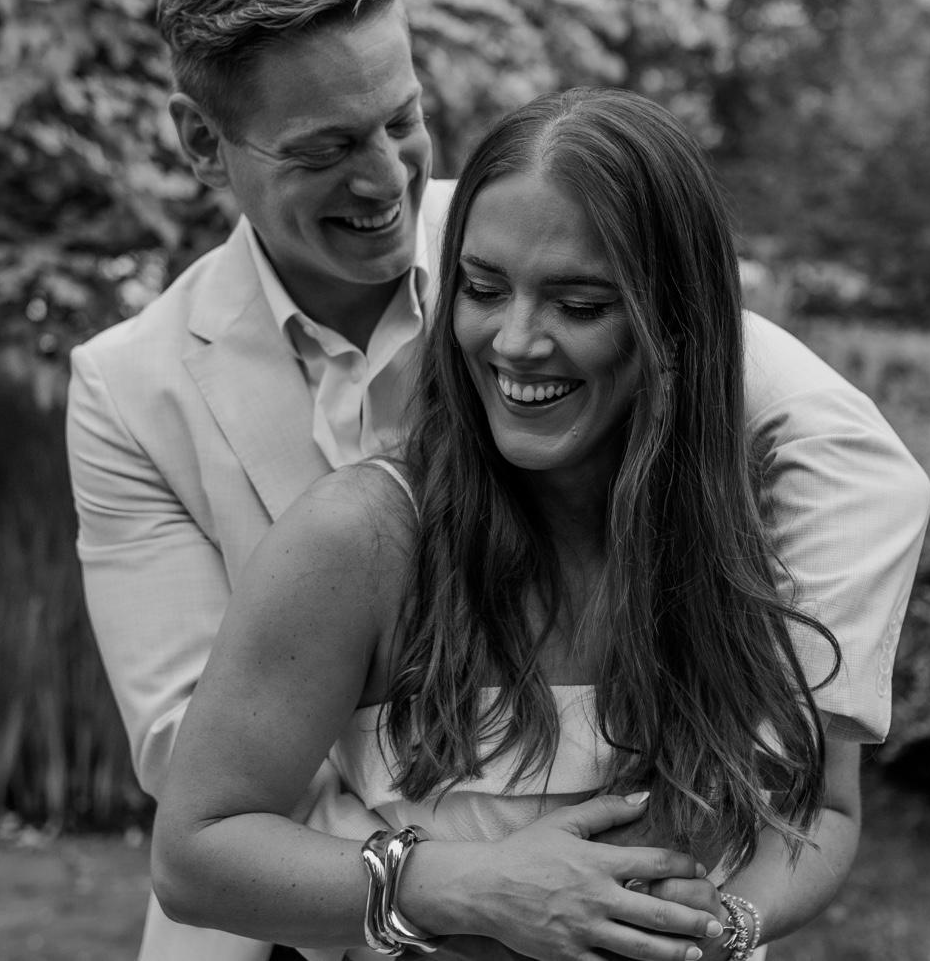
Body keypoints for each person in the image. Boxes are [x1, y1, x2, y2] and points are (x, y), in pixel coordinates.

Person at [67, 0, 930, 961]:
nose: (383, 178)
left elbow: (853, 464)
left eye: (400, 120)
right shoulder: (130, 387)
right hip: (282, 921)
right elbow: (187, 754)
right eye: (326, 148)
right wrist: (467, 879)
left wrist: (757, 752)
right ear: (204, 141)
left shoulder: (535, 220)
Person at [150, 87, 872, 961]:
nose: (516, 342)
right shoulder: (361, 539)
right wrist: (470, 887)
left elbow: (824, 807)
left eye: (580, 305)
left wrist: (725, 925)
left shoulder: (763, 532)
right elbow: (195, 854)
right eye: (484, 289)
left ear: (679, 322)